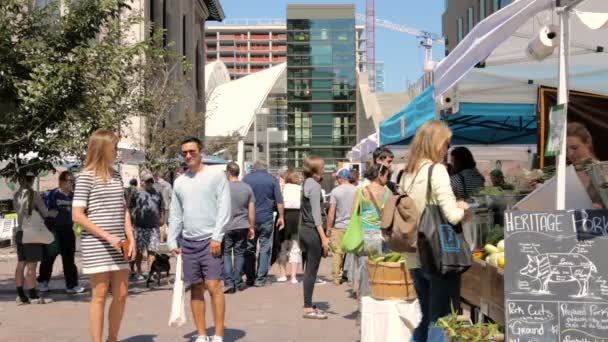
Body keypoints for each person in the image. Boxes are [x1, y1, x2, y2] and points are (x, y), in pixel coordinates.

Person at [399, 121, 469, 342]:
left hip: (414, 254)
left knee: (426, 314)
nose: (447, 150)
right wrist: (464, 208)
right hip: (439, 255)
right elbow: (452, 216)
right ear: (436, 144)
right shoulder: (436, 170)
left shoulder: (406, 174)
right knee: (442, 318)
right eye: (446, 144)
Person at [72, 130, 136, 342]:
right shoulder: (85, 176)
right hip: (98, 244)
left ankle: (113, 338)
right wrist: (107, 236)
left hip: (120, 243)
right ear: (103, 149)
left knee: (122, 294)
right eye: (114, 148)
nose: (117, 152)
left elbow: (124, 209)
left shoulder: (117, 175)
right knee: (99, 296)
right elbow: (77, 216)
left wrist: (131, 237)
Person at [167, 137, 231, 342]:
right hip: (188, 243)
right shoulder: (179, 182)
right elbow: (175, 214)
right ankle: (202, 335)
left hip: (210, 240)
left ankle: (218, 334)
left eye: (192, 151)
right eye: (184, 152)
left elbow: (224, 207)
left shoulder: (216, 176)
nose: (188, 156)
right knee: (195, 287)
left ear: (200, 152)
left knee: (213, 286)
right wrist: (172, 241)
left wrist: (217, 237)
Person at [13, 172, 58, 305]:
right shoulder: (34, 194)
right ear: (32, 180)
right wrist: (54, 213)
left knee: (21, 263)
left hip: (20, 231)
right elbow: (45, 212)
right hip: (31, 233)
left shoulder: (16, 195)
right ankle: (33, 295)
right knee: (32, 266)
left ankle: (21, 295)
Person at [37, 171, 84, 294]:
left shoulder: (74, 196)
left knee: (69, 259)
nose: (71, 183)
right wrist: (47, 215)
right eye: (69, 180)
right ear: (62, 181)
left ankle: (71, 285)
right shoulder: (52, 194)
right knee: (48, 258)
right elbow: (41, 208)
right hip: (53, 231)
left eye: (72, 181)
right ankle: (43, 282)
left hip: (68, 231)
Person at [351, 164, 392, 298]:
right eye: (387, 175)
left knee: (364, 268)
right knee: (380, 267)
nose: (388, 178)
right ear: (380, 175)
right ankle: (378, 297)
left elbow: (353, 214)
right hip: (381, 235)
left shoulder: (362, 191)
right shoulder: (388, 193)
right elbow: (390, 215)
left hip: (365, 235)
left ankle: (364, 299)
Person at [242, 159, 285, 287]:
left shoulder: (246, 179)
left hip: (249, 219)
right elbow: (279, 201)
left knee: (249, 247)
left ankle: (250, 277)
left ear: (254, 168)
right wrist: (281, 216)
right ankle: (261, 278)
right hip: (266, 217)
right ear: (266, 168)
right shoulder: (272, 180)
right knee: (265, 247)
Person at [299, 156, 330, 320]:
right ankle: (308, 307)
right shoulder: (315, 186)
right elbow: (317, 215)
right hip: (313, 230)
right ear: (316, 168)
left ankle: (308, 304)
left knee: (309, 270)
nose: (324, 168)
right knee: (311, 271)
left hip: (305, 229)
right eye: (322, 166)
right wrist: (324, 238)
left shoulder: (306, 183)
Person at [223, 162, 256, 293]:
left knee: (225, 253)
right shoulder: (247, 188)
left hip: (226, 225)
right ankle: (237, 280)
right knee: (239, 253)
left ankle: (229, 282)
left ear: (228, 172)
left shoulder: (223, 187)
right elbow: (251, 209)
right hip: (242, 225)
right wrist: (251, 226)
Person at [131, 172, 164, 281]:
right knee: (139, 251)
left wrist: (162, 218)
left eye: (151, 181)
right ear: (142, 182)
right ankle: (139, 271)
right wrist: (131, 224)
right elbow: (130, 208)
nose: (149, 183)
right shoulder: (136, 194)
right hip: (140, 226)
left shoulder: (158, 193)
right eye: (147, 181)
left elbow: (161, 207)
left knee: (152, 250)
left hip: (154, 227)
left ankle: (151, 271)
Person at [327, 168, 357, 286]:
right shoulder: (357, 190)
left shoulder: (335, 192)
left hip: (339, 226)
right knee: (352, 252)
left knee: (337, 252)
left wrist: (329, 227)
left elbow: (332, 212)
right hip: (353, 226)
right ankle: (350, 277)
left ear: (340, 178)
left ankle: (336, 278)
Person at [567, 122, 603, 207]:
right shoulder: (567, 176)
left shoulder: (604, 171)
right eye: (566, 149)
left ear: (588, 143)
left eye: (575, 148)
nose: (570, 153)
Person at [277, 170, 302, 284]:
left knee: (282, 246)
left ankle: (282, 274)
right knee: (295, 247)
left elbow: (278, 202)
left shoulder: (282, 187)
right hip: (298, 217)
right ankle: (293, 276)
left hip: (284, 216)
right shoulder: (300, 189)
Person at [153, 172, 172, 242]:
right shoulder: (168, 185)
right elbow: (171, 196)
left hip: (156, 207)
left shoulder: (155, 185)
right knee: (164, 223)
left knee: (157, 223)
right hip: (166, 206)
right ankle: (162, 239)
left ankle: (157, 238)